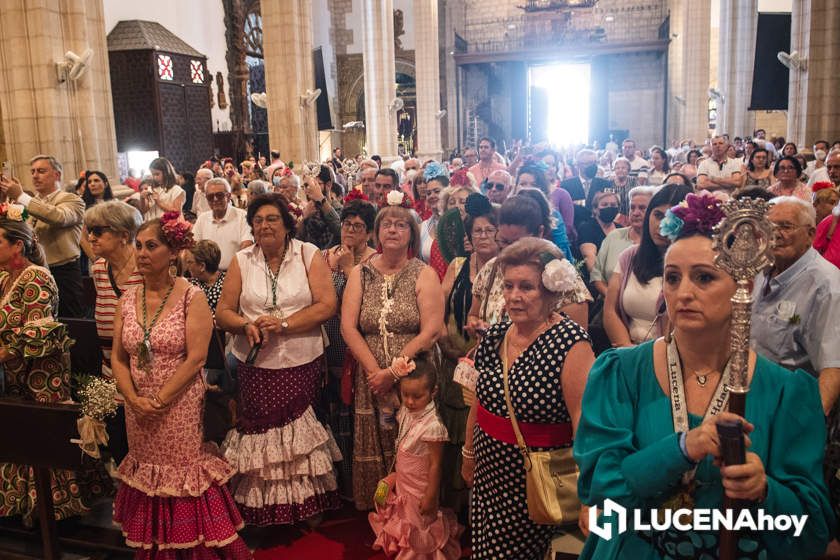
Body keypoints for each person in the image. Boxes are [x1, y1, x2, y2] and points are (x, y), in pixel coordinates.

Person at [574, 193, 833, 559]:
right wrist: (682, 448)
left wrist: (765, 491)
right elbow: (601, 488)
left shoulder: (786, 392)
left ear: (744, 285)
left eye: (704, 277)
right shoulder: (622, 373)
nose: (683, 293)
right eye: (673, 277)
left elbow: (812, 532)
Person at [110, 213, 249, 558]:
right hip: (137, 406)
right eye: (138, 246)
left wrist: (158, 400)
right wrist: (132, 397)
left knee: (182, 474)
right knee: (148, 474)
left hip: (178, 404)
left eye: (151, 246)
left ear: (173, 252)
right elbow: (118, 358)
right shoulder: (128, 299)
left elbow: (196, 359)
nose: (141, 253)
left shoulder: (192, 296)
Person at [462, 237, 594, 559]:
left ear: (550, 290)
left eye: (527, 287)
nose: (514, 297)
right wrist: (468, 453)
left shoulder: (571, 343)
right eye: (508, 286)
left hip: (538, 480)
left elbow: (584, 422)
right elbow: (479, 401)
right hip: (489, 476)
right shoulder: (495, 335)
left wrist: (591, 495)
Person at [216, 193, 341, 525]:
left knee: (299, 434)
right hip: (256, 362)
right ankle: (263, 507)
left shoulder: (307, 254)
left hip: (301, 357)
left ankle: (303, 505)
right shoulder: (242, 260)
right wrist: (246, 324)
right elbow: (223, 312)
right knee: (260, 432)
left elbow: (326, 305)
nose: (264, 225)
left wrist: (284, 324)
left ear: (287, 225)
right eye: (257, 220)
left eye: (272, 219)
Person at [0, 213, 110, 524]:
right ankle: (20, 502)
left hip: (41, 370)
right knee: (16, 431)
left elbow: (39, 331)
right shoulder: (5, 277)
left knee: (41, 432)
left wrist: (3, 353)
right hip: (12, 371)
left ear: (17, 246)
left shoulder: (37, 277)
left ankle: (57, 505)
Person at [340, 197, 444, 510]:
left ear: (412, 233)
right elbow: (348, 327)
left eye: (401, 225)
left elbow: (431, 330)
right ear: (376, 232)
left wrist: (393, 373)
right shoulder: (360, 273)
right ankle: (383, 513)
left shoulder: (423, 273)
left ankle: (413, 510)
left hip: (413, 376)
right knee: (379, 437)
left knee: (412, 445)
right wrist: (376, 373)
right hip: (371, 373)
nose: (393, 230)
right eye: (387, 224)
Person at [438, 193, 499, 511]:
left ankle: (477, 505)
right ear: (469, 236)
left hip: (489, 364)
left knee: (478, 433)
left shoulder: (506, 271)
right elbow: (440, 303)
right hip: (453, 359)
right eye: (478, 231)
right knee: (452, 434)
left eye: (490, 230)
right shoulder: (458, 265)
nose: (484, 236)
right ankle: (454, 506)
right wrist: (444, 343)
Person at [368, 356, 463, 559]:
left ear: (433, 392)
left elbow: (436, 464)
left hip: (421, 487)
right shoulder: (406, 411)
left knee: (421, 521)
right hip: (405, 481)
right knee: (406, 516)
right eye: (405, 395)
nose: (410, 402)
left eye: (417, 396)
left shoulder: (433, 426)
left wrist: (430, 495)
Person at [751, 196, 840, 412]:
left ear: (811, 234)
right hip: (751, 395)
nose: (776, 234)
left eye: (786, 226)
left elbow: (833, 366)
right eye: (769, 226)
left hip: (789, 405)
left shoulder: (827, 285)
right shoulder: (760, 270)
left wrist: (810, 429)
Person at [321, 198, 378, 498]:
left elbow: (368, 305)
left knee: (353, 412)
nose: (350, 231)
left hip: (354, 346)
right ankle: (336, 483)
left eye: (358, 227)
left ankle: (358, 482)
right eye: (347, 224)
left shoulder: (372, 261)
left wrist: (350, 268)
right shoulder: (324, 256)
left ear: (368, 233)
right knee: (331, 412)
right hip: (327, 342)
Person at [467, 195, 591, 331]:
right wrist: (477, 326)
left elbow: (576, 339)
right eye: (504, 242)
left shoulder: (560, 275)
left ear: (540, 232)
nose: (510, 250)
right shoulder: (491, 268)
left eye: (518, 243)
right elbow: (473, 314)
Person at [603, 184, 692, 346]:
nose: (661, 225)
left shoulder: (692, 265)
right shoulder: (629, 256)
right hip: (627, 350)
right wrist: (629, 351)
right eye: (657, 215)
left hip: (670, 353)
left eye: (672, 218)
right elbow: (610, 310)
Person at [0, 155, 86, 317]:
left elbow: (59, 217)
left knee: (70, 322)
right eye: (32, 172)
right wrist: (5, 199)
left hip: (63, 271)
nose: (35, 175)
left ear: (57, 175)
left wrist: (21, 196)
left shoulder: (72, 199)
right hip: (32, 271)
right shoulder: (29, 203)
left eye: (41, 171)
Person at [591, 186, 656, 297]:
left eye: (642, 208)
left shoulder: (658, 243)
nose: (635, 213)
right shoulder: (614, 236)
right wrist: (613, 300)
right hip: (608, 304)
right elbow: (596, 276)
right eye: (632, 207)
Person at [192, 177, 253, 271]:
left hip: (235, 272)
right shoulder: (202, 219)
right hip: (206, 274)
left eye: (219, 195)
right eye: (210, 197)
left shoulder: (242, 217)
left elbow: (247, 247)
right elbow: (194, 246)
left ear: (228, 196)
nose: (215, 199)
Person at [299, 165, 343, 249]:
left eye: (315, 185)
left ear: (328, 185)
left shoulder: (339, 209)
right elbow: (296, 240)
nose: (309, 189)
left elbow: (340, 232)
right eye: (306, 185)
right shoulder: (306, 210)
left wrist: (321, 199)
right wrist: (304, 218)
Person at [577, 190, 621, 274]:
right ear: (595, 209)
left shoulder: (621, 229)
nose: (609, 207)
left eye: (613, 205)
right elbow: (591, 262)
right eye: (604, 205)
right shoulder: (587, 228)